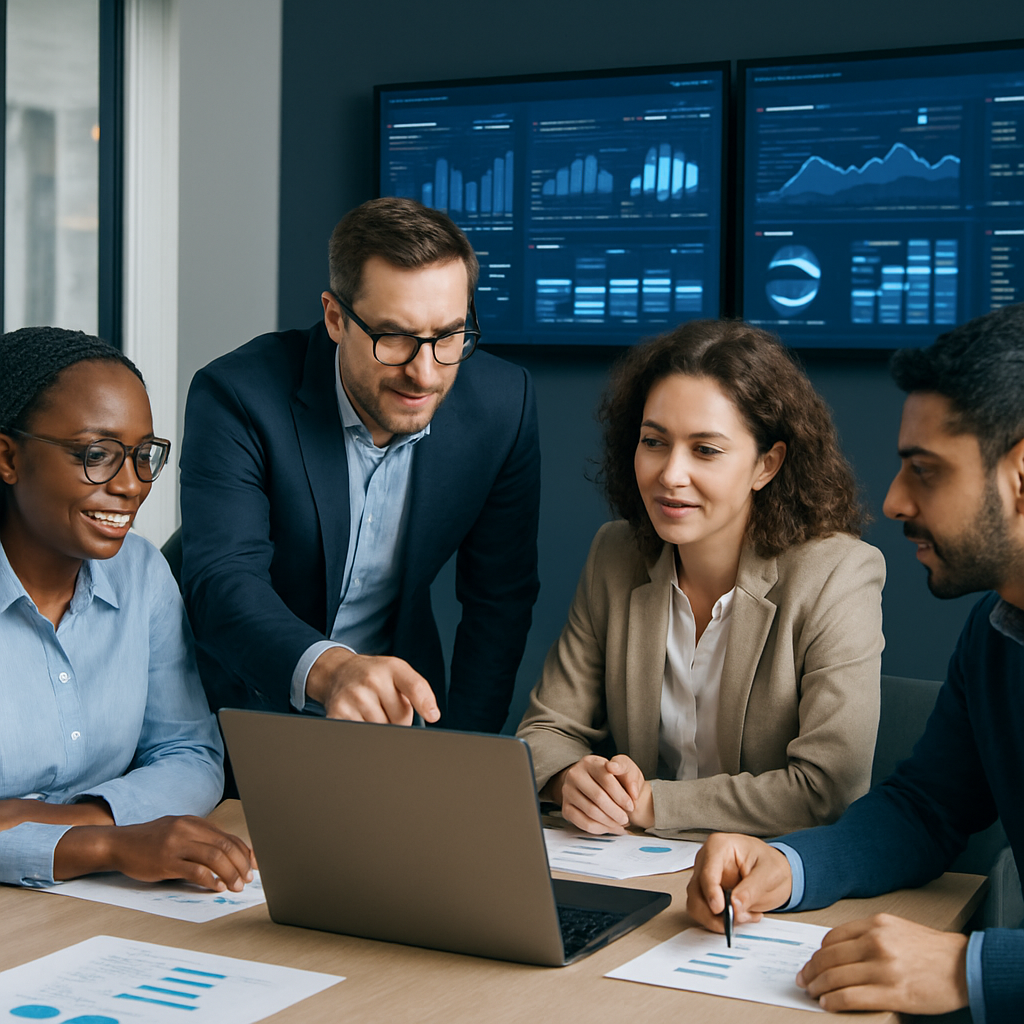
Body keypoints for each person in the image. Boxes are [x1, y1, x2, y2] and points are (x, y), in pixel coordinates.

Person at [686, 304, 1024, 1023]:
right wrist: (791, 865)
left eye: (925, 472)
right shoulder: (996, 634)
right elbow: (926, 810)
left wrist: (973, 968)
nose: (896, 500)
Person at [179, 198, 540, 730]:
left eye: (449, 334)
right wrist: (333, 670)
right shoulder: (238, 395)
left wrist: (465, 752)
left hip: (394, 714)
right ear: (334, 318)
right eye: (394, 336)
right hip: (237, 699)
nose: (425, 372)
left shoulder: (503, 405)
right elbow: (224, 580)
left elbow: (499, 601)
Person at [516, 320, 885, 837]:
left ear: (767, 464)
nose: (670, 474)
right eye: (654, 442)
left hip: (769, 888)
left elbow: (828, 790)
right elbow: (545, 731)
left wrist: (649, 803)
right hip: (634, 869)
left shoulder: (838, 574)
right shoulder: (614, 555)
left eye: (705, 450)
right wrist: (571, 779)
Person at [0, 327, 254, 891]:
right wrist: (105, 846)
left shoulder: (139, 572)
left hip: (93, 908)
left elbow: (189, 752)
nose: (131, 485)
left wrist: (82, 821)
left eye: (143, 457)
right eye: (96, 455)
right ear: (7, 456)